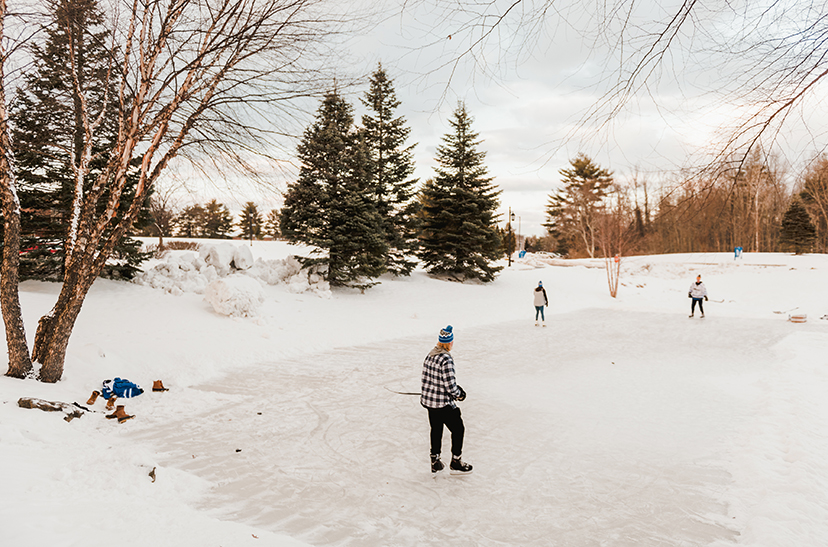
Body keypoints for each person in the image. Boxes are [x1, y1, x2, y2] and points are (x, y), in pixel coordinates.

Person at [420, 325, 473, 474]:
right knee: (458, 429)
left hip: (430, 403)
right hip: (442, 404)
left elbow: (426, 380)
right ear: (449, 342)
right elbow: (450, 386)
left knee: (436, 429)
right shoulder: (446, 359)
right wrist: (459, 394)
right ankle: (456, 461)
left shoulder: (430, 355)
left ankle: (435, 460)